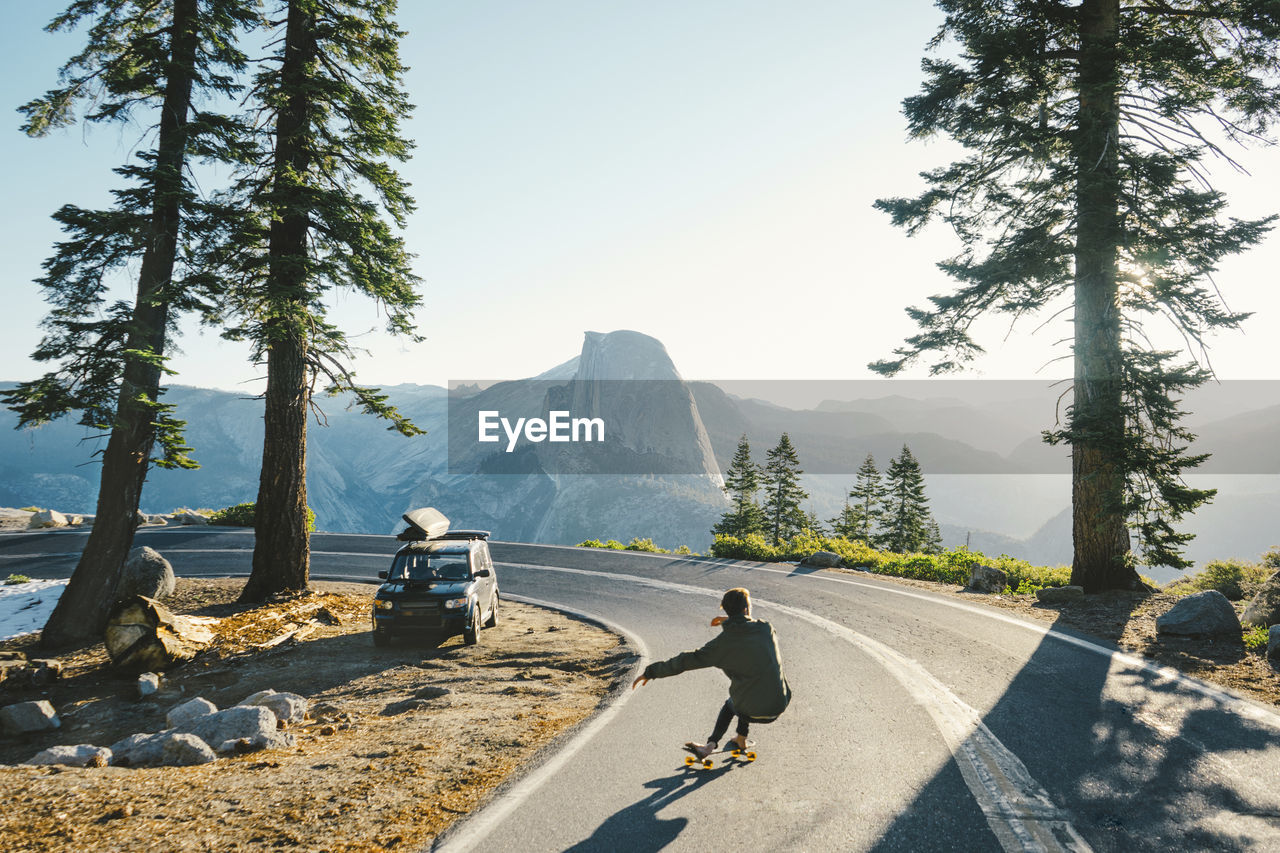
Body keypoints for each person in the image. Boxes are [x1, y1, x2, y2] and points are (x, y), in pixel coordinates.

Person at [632, 587, 791, 758]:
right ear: (746, 609)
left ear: (727, 610)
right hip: (779, 704)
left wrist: (650, 672)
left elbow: (685, 661)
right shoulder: (766, 629)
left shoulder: (720, 646)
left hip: (751, 708)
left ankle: (709, 746)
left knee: (732, 703)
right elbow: (747, 625)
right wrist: (729, 620)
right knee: (748, 685)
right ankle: (741, 739)